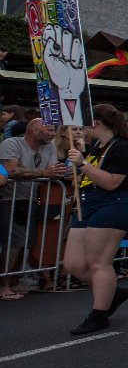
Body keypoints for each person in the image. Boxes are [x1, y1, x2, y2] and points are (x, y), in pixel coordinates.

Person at [62, 104, 128, 335]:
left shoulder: (124, 147)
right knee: (73, 263)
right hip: (89, 204)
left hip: (113, 204)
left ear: (97, 124)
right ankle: (110, 293)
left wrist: (82, 163)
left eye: (84, 125)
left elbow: (112, 182)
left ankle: (99, 314)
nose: (81, 130)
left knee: (98, 262)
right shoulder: (97, 146)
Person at [1, 119, 67, 301]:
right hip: (10, 199)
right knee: (12, 244)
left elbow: (53, 170)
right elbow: (10, 171)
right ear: (34, 130)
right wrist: (43, 174)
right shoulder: (11, 143)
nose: (53, 133)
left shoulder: (49, 148)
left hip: (32, 200)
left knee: (26, 243)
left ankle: (13, 280)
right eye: (49, 129)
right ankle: (3, 285)